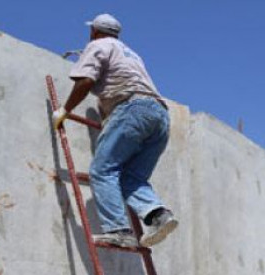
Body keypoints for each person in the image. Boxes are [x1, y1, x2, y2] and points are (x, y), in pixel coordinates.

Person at [53, 13, 178, 248]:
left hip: (132, 109)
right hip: (160, 116)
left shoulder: (98, 45)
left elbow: (86, 80)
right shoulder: (131, 54)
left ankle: (118, 230)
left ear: (94, 31)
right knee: (132, 177)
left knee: (102, 170)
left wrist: (65, 110)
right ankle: (159, 216)